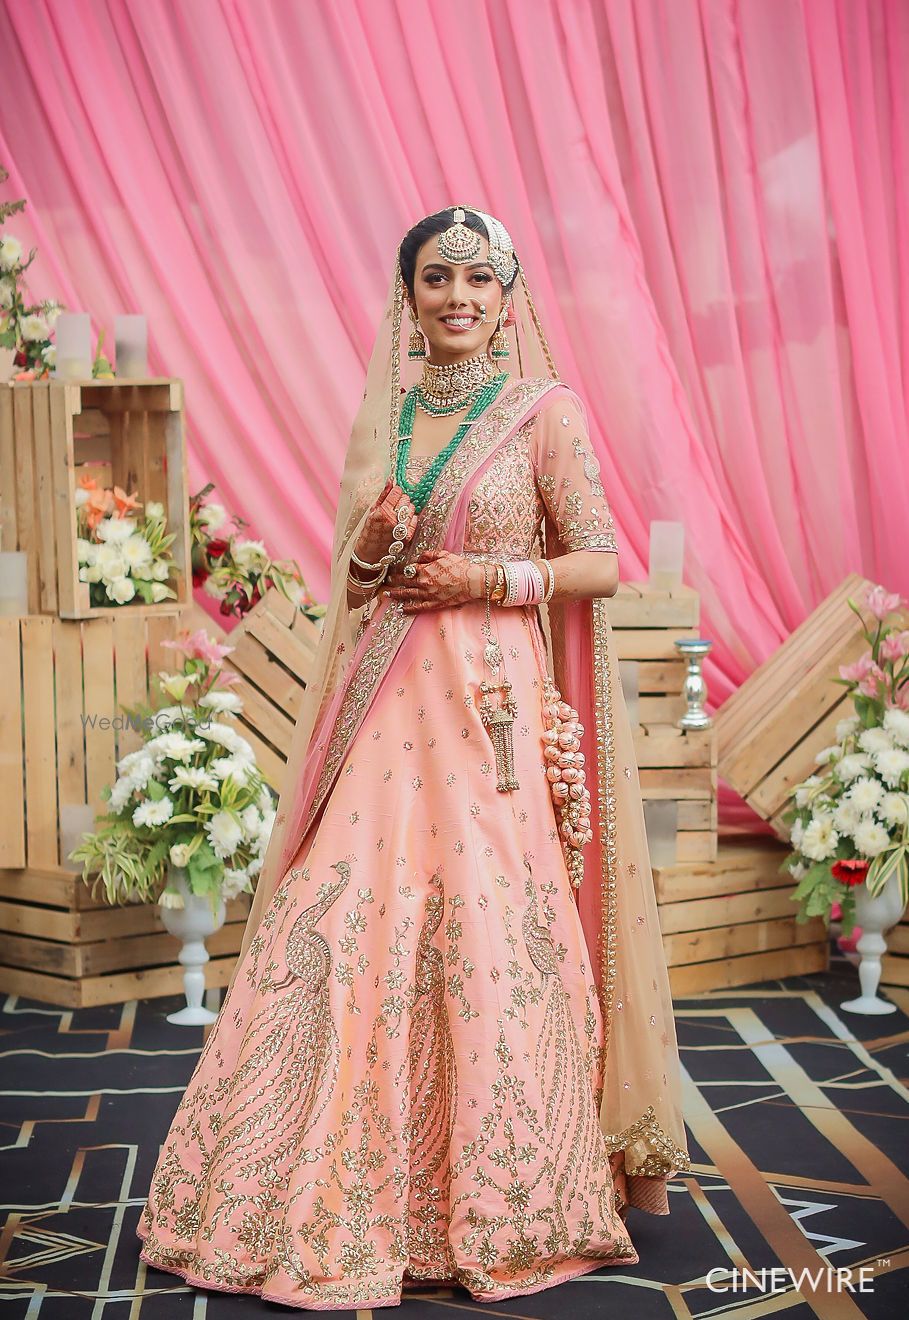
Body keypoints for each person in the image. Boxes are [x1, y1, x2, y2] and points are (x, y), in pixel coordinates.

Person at [136, 205, 689, 1309]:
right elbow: (360, 580)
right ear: (409, 295)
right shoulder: (390, 417)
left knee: (489, 930)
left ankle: (503, 1203)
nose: (460, 299)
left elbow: (599, 562)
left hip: (491, 711)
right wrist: (380, 545)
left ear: (508, 295)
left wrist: (494, 582)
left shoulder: (543, 412)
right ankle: (319, 1196)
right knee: (338, 919)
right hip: (389, 705)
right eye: (438, 278)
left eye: (481, 281)